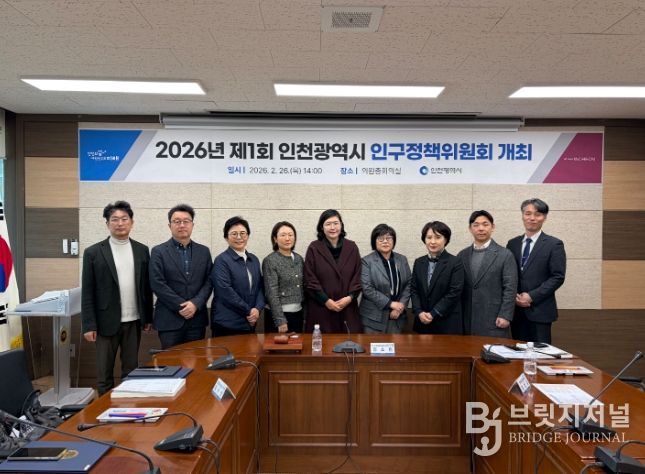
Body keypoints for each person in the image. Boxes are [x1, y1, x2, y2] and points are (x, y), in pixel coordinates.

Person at [81, 201, 153, 395]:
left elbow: (146, 287)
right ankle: (103, 408)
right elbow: (87, 291)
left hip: (133, 321)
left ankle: (128, 404)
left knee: (131, 370)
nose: (120, 223)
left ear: (132, 222)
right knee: (104, 373)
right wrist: (88, 325)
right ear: (107, 223)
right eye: (114, 219)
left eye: (124, 219)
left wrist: (148, 317)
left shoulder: (142, 250)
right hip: (105, 322)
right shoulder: (93, 252)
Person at [149, 204, 213, 349]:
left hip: (196, 319)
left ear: (192, 225)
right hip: (169, 319)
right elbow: (157, 283)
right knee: (170, 360)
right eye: (177, 221)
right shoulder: (158, 251)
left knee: (196, 360)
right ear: (169, 225)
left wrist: (195, 304)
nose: (182, 225)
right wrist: (182, 306)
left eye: (186, 221)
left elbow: (209, 281)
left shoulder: (204, 251)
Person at [506, 198, 566, 344]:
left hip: (540, 310)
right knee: (518, 353)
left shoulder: (554, 244)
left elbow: (557, 277)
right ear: (522, 215)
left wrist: (531, 296)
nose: (532, 218)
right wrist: (514, 296)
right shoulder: (512, 244)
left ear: (544, 217)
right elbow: (508, 275)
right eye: (528, 213)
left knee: (541, 354)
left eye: (537, 214)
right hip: (516, 312)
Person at [458, 210, 517, 338]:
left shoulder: (505, 254)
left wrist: (505, 315)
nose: (481, 228)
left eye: (485, 224)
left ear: (492, 227)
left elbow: (510, 288)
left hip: (494, 318)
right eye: (476, 225)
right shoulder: (462, 255)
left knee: (494, 350)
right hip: (467, 318)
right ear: (470, 228)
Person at [304, 209, 362, 333]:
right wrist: (326, 300)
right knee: (323, 343)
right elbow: (310, 278)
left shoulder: (352, 247)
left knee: (349, 342)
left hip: (347, 308)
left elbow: (357, 276)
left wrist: (350, 298)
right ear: (321, 227)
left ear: (341, 225)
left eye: (336, 223)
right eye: (328, 224)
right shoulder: (314, 248)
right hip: (321, 308)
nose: (332, 227)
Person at [210, 216, 264, 336]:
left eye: (243, 233)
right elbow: (225, 291)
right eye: (234, 234)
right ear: (226, 237)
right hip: (227, 323)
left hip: (250, 322)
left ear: (248, 235)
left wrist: (257, 309)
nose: (239, 237)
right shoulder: (221, 260)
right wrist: (249, 311)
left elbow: (260, 287)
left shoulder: (254, 260)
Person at [411, 221, 464, 335]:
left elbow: (454, 292)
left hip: (446, 322)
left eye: (438, 237)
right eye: (429, 237)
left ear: (446, 239)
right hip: (422, 322)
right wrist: (419, 312)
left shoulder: (455, 262)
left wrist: (433, 313)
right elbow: (414, 290)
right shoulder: (419, 262)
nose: (433, 241)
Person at [359, 224, 411, 334]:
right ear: (374, 241)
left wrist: (400, 306)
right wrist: (391, 304)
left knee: (396, 345)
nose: (385, 241)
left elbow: (409, 284)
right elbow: (367, 288)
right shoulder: (366, 261)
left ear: (393, 241)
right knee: (373, 345)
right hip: (373, 318)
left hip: (397, 316)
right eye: (380, 239)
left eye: (389, 238)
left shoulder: (402, 259)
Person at [262, 221, 305, 333]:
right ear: (275, 239)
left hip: (298, 313)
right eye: (283, 235)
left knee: (298, 343)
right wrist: (280, 320)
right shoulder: (270, 260)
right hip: (279, 316)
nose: (287, 238)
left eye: (290, 235)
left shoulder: (299, 259)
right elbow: (271, 292)